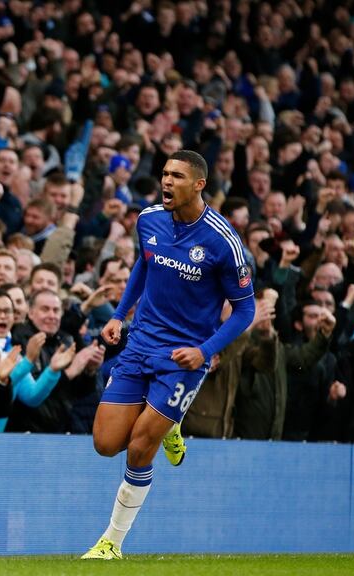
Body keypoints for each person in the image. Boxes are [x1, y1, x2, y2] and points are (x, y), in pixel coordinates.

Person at [82, 151, 256, 560]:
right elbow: (144, 266)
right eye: (164, 174)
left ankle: (111, 543)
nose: (167, 181)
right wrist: (120, 315)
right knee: (106, 444)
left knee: (140, 448)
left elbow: (246, 310)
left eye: (177, 176)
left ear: (198, 184)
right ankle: (171, 425)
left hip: (183, 357)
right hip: (139, 343)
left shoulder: (223, 241)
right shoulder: (149, 220)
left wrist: (205, 351)